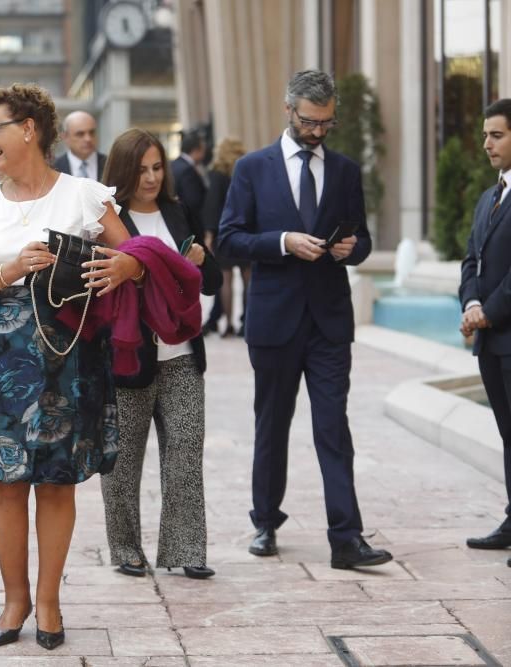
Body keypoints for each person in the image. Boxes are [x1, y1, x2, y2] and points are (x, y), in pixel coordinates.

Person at [0, 84, 143, 650]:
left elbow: (135, 256)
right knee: (5, 483)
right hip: (0, 360)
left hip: (68, 357)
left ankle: (50, 604)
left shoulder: (85, 195)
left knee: (57, 485)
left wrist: (118, 271)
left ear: (28, 129)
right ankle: (14, 600)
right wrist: (11, 269)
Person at [216, 69, 392, 570]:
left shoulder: (345, 171)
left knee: (333, 427)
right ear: (289, 109)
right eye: (311, 122)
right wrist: (282, 242)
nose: (318, 132)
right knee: (272, 424)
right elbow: (229, 239)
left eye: (327, 124)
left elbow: (365, 242)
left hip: (330, 323)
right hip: (274, 321)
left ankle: (346, 538)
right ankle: (265, 521)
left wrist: (350, 248)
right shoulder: (252, 168)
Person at [98, 128, 222, 580]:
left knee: (186, 453)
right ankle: (126, 549)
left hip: (183, 354)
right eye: (141, 169)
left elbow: (211, 283)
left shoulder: (177, 211)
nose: (151, 178)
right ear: (124, 171)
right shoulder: (105, 221)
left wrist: (201, 263)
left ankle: (187, 549)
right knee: (123, 463)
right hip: (128, 358)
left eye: (157, 167)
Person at [459, 98, 511, 567]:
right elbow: (470, 259)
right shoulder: (488, 197)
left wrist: (487, 312)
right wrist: (471, 303)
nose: (487, 143)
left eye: (497, 135)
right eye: (485, 135)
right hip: (491, 342)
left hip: (505, 333)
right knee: (508, 434)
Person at [202, 138, 249, 337]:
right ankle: (247, 322)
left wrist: (209, 234)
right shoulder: (247, 170)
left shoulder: (217, 174)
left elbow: (213, 205)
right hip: (247, 230)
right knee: (249, 279)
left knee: (226, 281)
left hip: (225, 232)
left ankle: (228, 324)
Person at [52, 110, 106, 180]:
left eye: (92, 132)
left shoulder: (110, 164)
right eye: (80, 134)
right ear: (65, 137)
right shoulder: (53, 168)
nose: (88, 139)